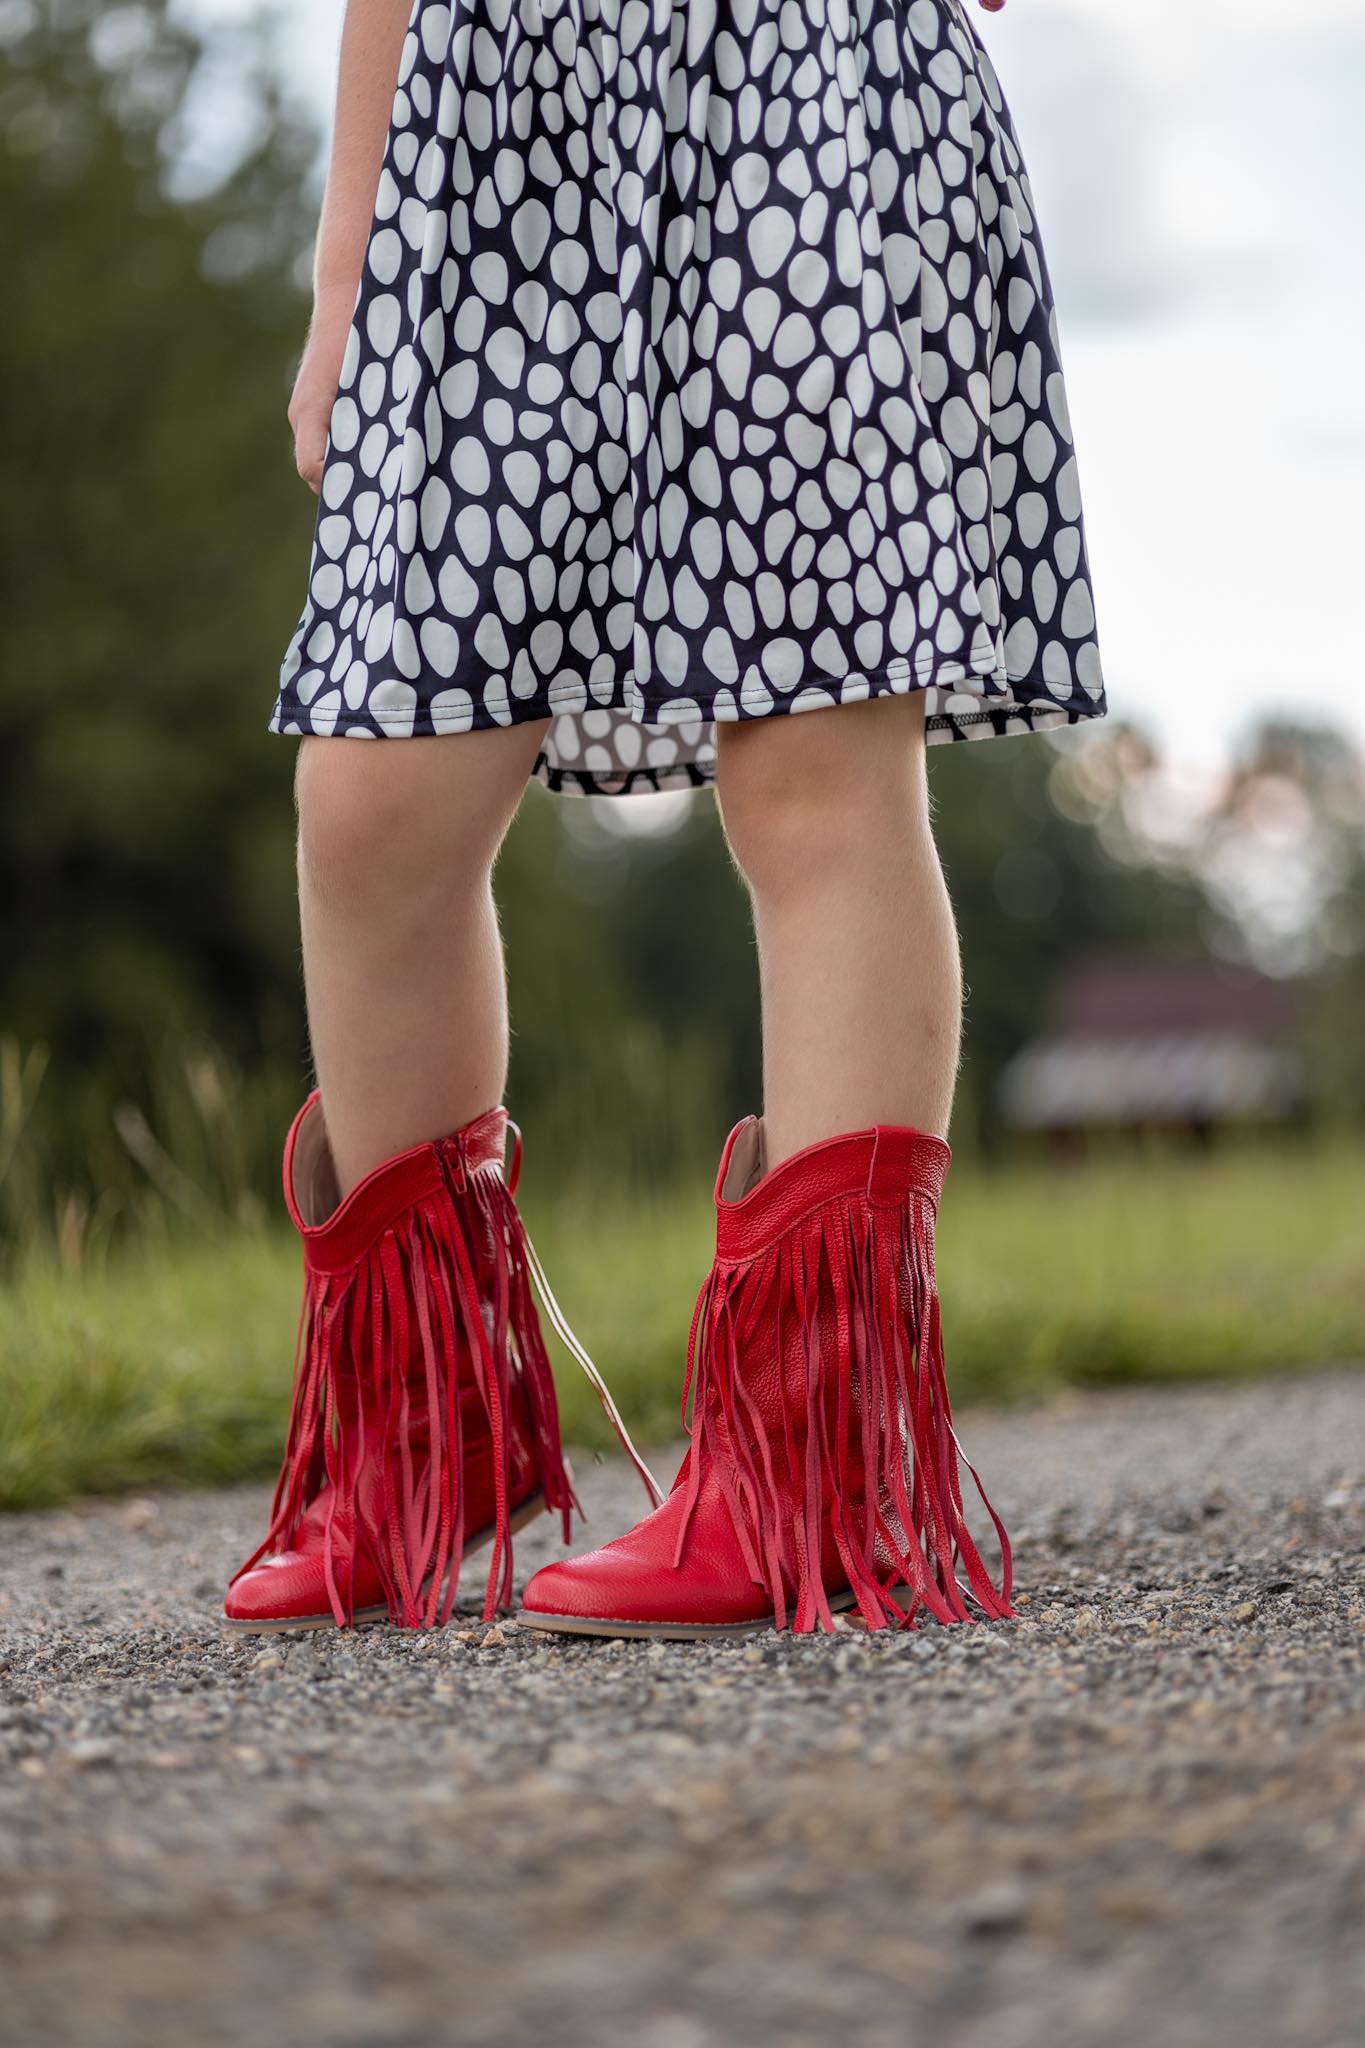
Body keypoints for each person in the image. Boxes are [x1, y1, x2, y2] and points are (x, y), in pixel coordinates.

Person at [224, 0, 1104, 1638]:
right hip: (491, 149)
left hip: (796, 95)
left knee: (811, 766)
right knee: (370, 796)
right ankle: (427, 1443)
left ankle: (813, 1475)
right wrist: (345, 263)